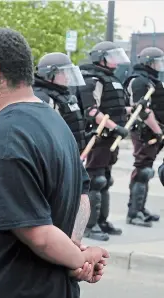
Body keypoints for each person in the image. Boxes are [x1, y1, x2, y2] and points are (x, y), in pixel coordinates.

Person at [0, 28, 109, 298]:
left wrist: (81, 260)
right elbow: (82, 196)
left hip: (6, 287)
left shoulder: (5, 138)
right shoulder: (55, 123)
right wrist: (73, 247)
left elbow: (37, 233)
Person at [76, 41, 131, 241]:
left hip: (111, 139)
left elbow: (114, 107)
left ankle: (102, 221)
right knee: (95, 181)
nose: (117, 60)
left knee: (105, 180)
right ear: (101, 58)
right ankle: (89, 226)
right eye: (113, 55)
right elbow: (92, 111)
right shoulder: (92, 78)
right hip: (99, 137)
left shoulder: (110, 78)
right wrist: (114, 127)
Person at [123, 46, 164, 227]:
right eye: (157, 61)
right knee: (142, 170)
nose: (160, 64)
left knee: (146, 169)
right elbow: (141, 110)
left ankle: (141, 209)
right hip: (144, 131)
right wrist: (157, 130)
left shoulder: (152, 80)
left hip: (154, 130)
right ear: (149, 62)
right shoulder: (139, 81)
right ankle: (133, 213)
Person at [33, 52, 88, 153]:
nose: (67, 77)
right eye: (64, 73)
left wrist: (84, 138)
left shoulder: (61, 94)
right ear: (50, 74)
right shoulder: (43, 98)